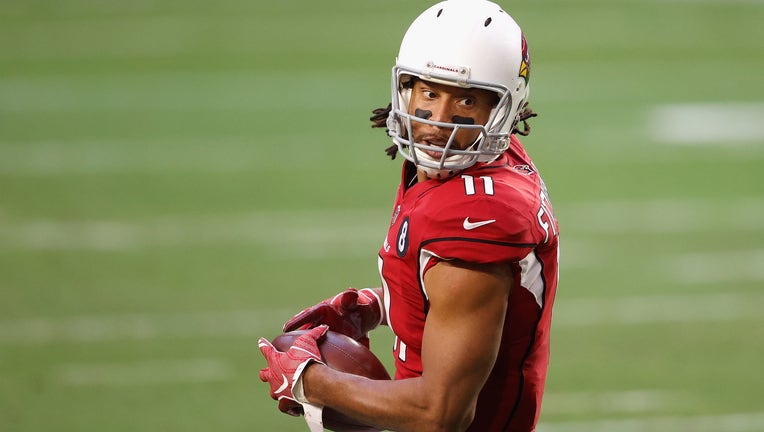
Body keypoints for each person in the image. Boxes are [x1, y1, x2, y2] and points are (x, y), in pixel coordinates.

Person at [258, 0, 560, 431]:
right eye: (430, 92)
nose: (439, 123)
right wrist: (379, 304)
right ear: (405, 90)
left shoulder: (475, 218)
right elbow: (450, 295)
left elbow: (440, 413)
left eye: (467, 100)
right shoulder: (467, 170)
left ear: (503, 110)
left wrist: (311, 382)